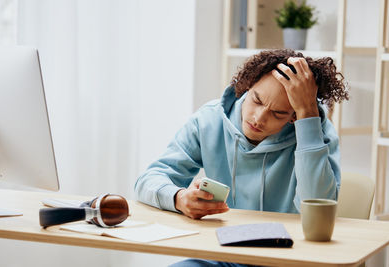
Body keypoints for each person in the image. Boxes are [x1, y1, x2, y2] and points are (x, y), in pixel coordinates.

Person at [134, 49, 348, 267]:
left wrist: (308, 116)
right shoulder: (209, 120)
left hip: (290, 260)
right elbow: (149, 180)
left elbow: (317, 208)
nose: (259, 118)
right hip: (224, 256)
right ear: (248, 86)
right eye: (256, 99)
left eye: (278, 114)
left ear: (293, 117)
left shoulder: (317, 133)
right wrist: (178, 198)